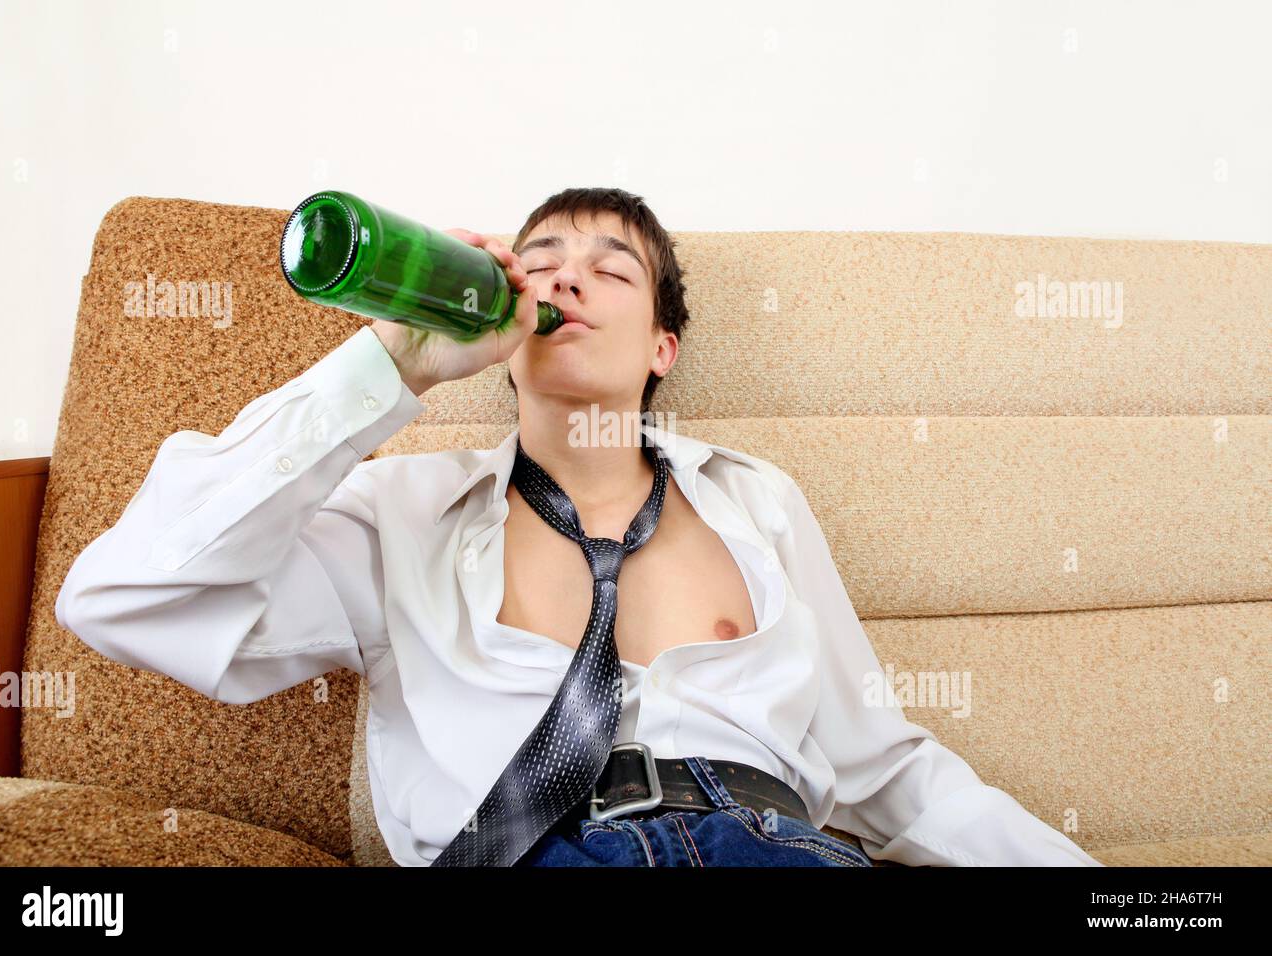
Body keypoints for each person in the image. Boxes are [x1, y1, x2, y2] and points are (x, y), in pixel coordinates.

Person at [55, 187, 1104, 868]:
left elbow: (888, 772)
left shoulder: (758, 502)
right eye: (539, 259)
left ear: (662, 345)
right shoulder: (404, 511)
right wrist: (381, 370)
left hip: (771, 848)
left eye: (609, 268)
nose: (562, 277)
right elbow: (125, 597)